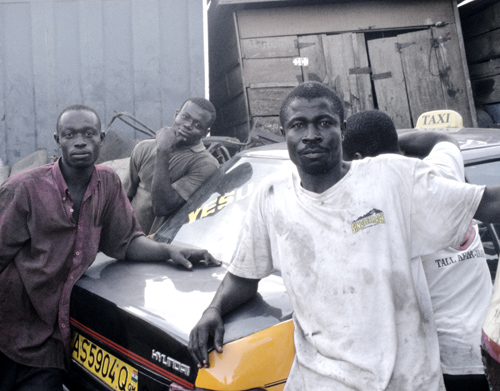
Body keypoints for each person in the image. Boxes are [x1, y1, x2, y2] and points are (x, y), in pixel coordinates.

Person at [188, 81, 500, 391]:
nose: (312, 135)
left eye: (324, 122)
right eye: (299, 125)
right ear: (285, 134)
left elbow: (487, 203)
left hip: (405, 381)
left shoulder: (392, 178)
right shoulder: (271, 197)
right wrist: (213, 309)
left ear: (342, 129)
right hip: (318, 381)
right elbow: (244, 274)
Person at [0, 104, 220, 391]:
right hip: (8, 332)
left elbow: (126, 242)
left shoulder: (108, 184)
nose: (80, 141)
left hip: (49, 344)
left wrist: (169, 251)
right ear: (58, 140)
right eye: (70, 134)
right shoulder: (24, 189)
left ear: (101, 138)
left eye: (89, 133)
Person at [342, 110, 492, 391]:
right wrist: (390, 143)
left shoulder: (381, 214)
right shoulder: (442, 172)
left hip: (449, 361)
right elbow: (444, 139)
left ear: (361, 160)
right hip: (489, 342)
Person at [125, 97, 220, 234]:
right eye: (185, 117)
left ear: (205, 133)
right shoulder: (143, 148)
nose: (188, 125)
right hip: (127, 241)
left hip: (162, 248)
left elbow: (162, 207)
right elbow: (124, 197)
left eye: (198, 125)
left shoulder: (206, 164)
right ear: (176, 115)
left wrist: (163, 151)